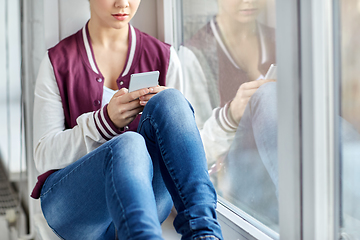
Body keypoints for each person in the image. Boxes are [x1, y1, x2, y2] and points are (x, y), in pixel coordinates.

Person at [30, 0, 223, 239]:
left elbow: (183, 148)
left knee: (171, 100)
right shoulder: (57, 62)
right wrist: (104, 122)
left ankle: (205, 235)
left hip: (148, 206)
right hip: (74, 210)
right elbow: (43, 156)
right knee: (129, 143)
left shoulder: (165, 56)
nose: (123, 3)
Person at [178, 0, 279, 227]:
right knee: (268, 95)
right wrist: (232, 115)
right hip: (238, 193)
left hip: (289, 165)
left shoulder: (283, 40)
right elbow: (192, 155)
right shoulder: (194, 55)